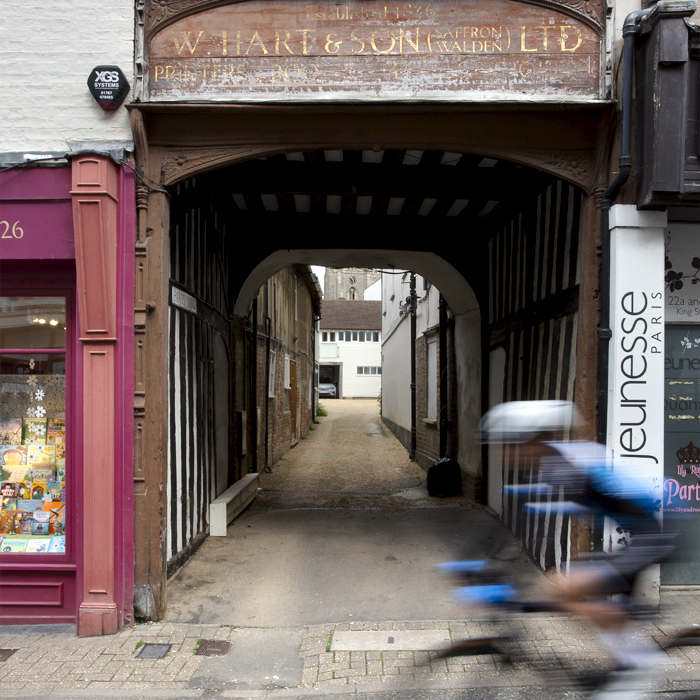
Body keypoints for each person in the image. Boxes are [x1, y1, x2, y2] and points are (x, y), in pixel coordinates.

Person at [479, 400, 674, 684]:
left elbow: (527, 517)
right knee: (575, 594)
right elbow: (519, 515)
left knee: (567, 585)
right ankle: (626, 660)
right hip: (637, 536)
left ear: (535, 440)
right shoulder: (551, 463)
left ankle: (644, 667)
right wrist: (480, 562)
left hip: (653, 536)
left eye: (510, 444)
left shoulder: (568, 464)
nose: (504, 453)